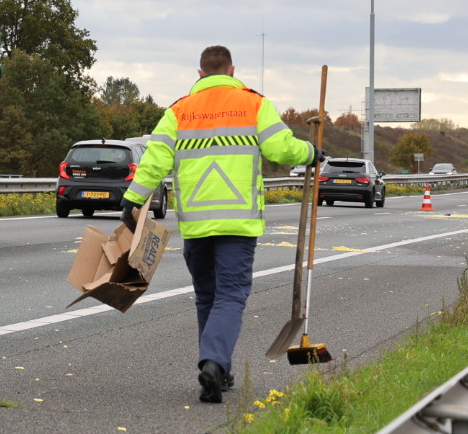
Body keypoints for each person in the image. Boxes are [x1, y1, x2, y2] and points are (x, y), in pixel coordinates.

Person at [122, 46, 320, 403]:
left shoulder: (179, 110)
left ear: (200, 73)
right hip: (237, 222)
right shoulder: (254, 103)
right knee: (230, 295)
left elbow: (154, 160)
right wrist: (310, 153)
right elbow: (280, 149)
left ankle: (217, 371)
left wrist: (133, 199)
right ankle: (214, 362)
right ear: (232, 70)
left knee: (207, 295)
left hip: (196, 224)